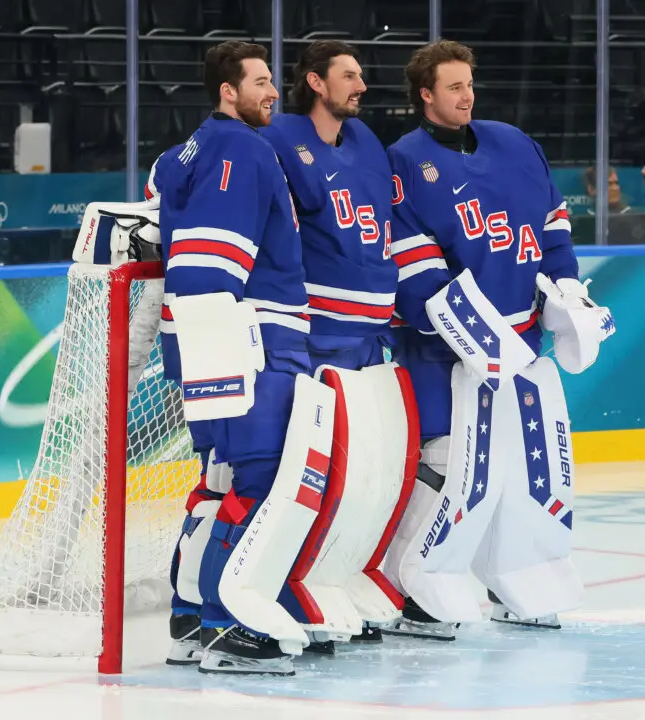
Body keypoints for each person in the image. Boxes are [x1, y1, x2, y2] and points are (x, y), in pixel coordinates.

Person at [382, 40, 612, 640]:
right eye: (453, 87)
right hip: (443, 350)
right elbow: (417, 271)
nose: (468, 95)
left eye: (470, 84)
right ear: (425, 95)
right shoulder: (404, 161)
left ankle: (516, 574)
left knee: (531, 465)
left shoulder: (515, 143)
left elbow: (553, 229)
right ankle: (419, 590)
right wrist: (476, 335)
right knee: (450, 464)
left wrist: (567, 294)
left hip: (524, 344)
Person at [145, 40, 314, 676]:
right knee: (259, 480)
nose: (273, 92)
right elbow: (207, 265)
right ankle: (227, 625)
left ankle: (190, 618)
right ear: (228, 91)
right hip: (253, 342)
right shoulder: (241, 148)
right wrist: (218, 353)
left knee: (218, 482)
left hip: (210, 344)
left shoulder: (181, 153)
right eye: (262, 81)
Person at [257, 40, 402, 653]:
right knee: (308, 473)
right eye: (349, 75)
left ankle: (330, 579)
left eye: (361, 75)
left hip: (369, 337)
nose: (361, 85)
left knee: (365, 473)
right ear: (315, 82)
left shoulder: (366, 142)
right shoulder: (277, 137)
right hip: (317, 334)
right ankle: (284, 585)